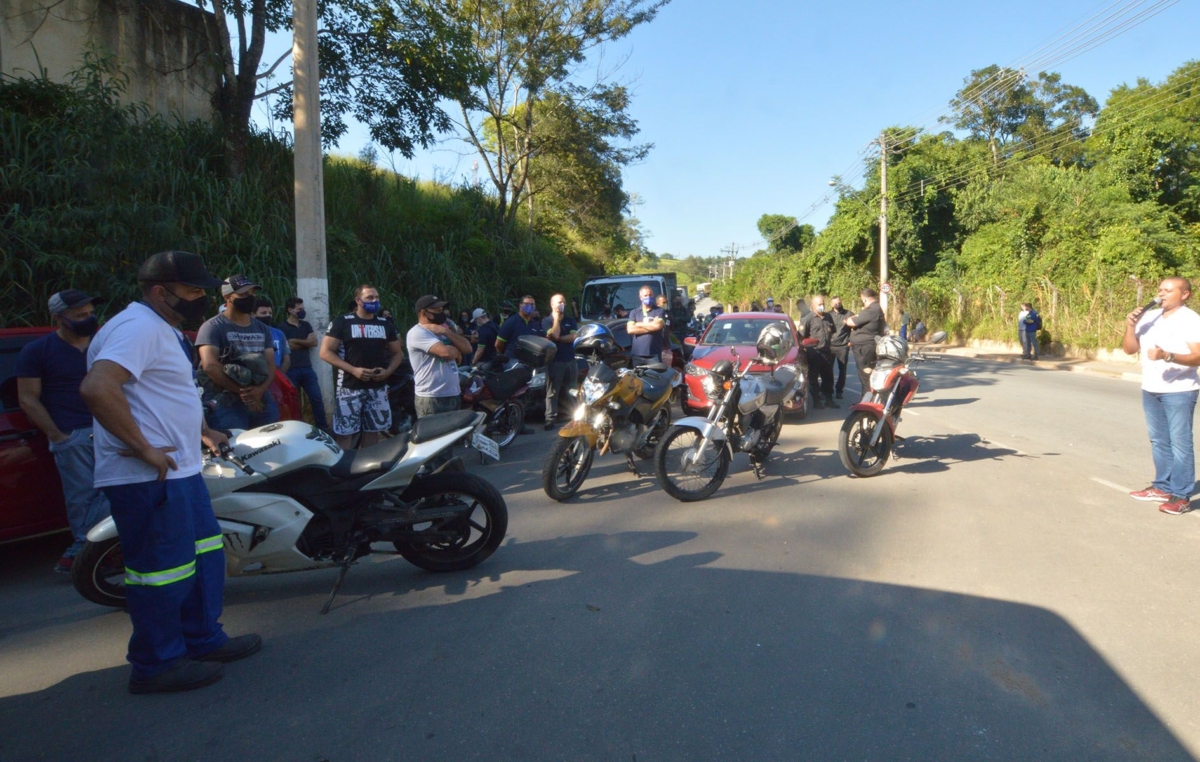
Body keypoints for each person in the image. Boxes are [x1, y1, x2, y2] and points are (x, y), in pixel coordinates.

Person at [80, 250, 260, 694]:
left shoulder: (162, 329)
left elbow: (164, 393)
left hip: (180, 470)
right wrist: (142, 448)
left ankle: (201, 639)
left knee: (202, 557)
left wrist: (200, 430)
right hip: (148, 477)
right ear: (161, 291)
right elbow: (97, 388)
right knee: (163, 570)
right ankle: (156, 664)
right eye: (192, 291)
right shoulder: (136, 327)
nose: (201, 298)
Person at [16, 289, 111, 573]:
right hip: (73, 433)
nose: (88, 319)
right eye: (80, 315)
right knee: (82, 496)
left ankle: (93, 551)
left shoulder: (105, 344)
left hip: (112, 427)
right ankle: (85, 554)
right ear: (59, 318)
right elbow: (27, 397)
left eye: (90, 314)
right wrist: (58, 435)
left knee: (119, 488)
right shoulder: (37, 351)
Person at [1123, 277, 1200, 515]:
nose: (1161, 294)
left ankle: (1181, 496)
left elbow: (1198, 356)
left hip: (1180, 389)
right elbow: (1129, 349)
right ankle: (1162, 487)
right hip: (1151, 387)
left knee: (1180, 444)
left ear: (1184, 294)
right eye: (1159, 290)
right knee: (1158, 441)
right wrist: (1130, 325)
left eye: (1168, 290)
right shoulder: (1149, 317)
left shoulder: (1190, 319)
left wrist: (1168, 356)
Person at [319, 285, 405, 448]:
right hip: (349, 387)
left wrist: (388, 372)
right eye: (370, 297)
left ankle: (368, 468)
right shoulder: (342, 322)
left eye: (377, 297)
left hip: (377, 388)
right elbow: (325, 352)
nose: (375, 301)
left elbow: (397, 353)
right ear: (358, 300)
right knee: (345, 433)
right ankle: (343, 469)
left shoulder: (385, 324)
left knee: (373, 431)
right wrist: (353, 370)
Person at [196, 275, 278, 431]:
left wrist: (259, 391)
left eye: (252, 293)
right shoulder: (212, 327)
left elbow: (271, 364)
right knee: (236, 447)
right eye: (243, 294)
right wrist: (243, 393)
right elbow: (210, 365)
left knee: (271, 443)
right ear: (227, 297)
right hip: (225, 400)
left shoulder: (262, 328)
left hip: (260, 398)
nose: (250, 298)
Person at [407, 295, 472, 420]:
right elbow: (446, 353)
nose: (442, 313)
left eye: (442, 310)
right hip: (432, 397)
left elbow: (467, 348)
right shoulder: (417, 332)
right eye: (437, 310)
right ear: (424, 313)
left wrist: (446, 332)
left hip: (453, 393)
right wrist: (456, 352)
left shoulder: (442, 330)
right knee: (434, 438)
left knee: (453, 437)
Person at [279, 297, 328, 430]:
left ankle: (323, 428)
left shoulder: (306, 325)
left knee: (316, 399)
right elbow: (287, 346)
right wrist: (303, 342)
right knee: (293, 402)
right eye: (299, 309)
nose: (302, 311)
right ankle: (297, 429)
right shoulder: (282, 327)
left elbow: (314, 342)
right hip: (290, 370)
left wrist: (295, 340)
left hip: (307, 369)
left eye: (303, 309)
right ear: (290, 310)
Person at [542, 294, 580, 429]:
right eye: (559, 302)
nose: (562, 304)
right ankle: (550, 418)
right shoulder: (547, 321)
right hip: (555, 361)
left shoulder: (570, 320)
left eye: (563, 302)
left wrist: (557, 339)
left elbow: (574, 337)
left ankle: (575, 417)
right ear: (552, 305)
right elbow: (555, 333)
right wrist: (557, 319)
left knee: (572, 390)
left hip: (570, 360)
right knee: (552, 391)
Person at [844, 288, 887, 399]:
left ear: (864, 299)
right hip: (866, 347)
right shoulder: (874, 309)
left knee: (866, 377)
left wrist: (852, 318)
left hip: (865, 348)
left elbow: (850, 322)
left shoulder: (872, 310)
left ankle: (868, 402)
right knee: (865, 376)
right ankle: (866, 400)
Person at [799, 294, 837, 409]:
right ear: (813, 306)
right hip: (814, 353)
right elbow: (801, 337)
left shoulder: (828, 317)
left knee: (828, 377)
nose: (822, 306)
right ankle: (816, 401)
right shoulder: (808, 319)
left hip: (827, 352)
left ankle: (829, 400)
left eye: (823, 303)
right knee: (813, 378)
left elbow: (832, 331)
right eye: (819, 304)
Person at [627, 285, 667, 367]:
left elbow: (658, 326)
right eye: (645, 295)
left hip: (654, 355)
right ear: (640, 297)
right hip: (637, 355)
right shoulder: (634, 312)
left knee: (655, 378)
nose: (648, 297)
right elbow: (630, 330)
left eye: (650, 295)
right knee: (637, 379)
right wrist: (652, 325)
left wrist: (639, 324)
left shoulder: (659, 311)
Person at [253, 299, 291, 373]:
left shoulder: (279, 334)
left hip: (277, 375)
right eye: (263, 313)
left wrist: (279, 375)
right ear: (253, 314)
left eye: (270, 313)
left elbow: (286, 359)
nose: (268, 315)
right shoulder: (247, 333)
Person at [828, 295, 851, 399]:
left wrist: (851, 341)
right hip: (830, 346)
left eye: (839, 301)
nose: (838, 304)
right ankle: (828, 390)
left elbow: (856, 328)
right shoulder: (828, 315)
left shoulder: (849, 314)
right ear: (831, 304)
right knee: (828, 369)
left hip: (843, 346)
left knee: (842, 369)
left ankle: (839, 390)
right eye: (835, 302)